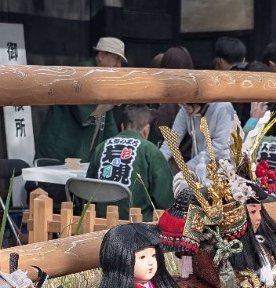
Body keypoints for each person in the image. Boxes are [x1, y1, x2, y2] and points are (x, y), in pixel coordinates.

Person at [38, 37, 121, 163]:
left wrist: (116, 149)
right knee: (53, 179)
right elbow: (83, 111)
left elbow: (109, 126)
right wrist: (111, 101)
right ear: (101, 56)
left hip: (78, 151)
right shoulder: (83, 74)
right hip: (61, 146)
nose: (119, 66)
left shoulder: (104, 81)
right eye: (117, 59)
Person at [165, 45, 241, 177]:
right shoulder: (186, 107)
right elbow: (173, 138)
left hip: (225, 163)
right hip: (201, 164)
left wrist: (191, 164)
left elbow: (218, 145)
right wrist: (159, 160)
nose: (185, 108)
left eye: (188, 105)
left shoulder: (223, 107)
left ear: (199, 99)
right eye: (182, 105)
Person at [89, 102, 178, 211]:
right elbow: (165, 200)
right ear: (146, 129)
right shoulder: (150, 150)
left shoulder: (102, 147)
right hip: (138, 223)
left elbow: (89, 191)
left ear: (122, 127)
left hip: (99, 220)